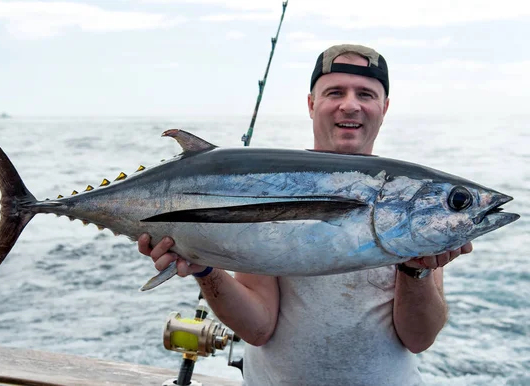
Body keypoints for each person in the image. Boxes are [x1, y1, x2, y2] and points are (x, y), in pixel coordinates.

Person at [137, 44, 473, 385]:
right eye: (335, 92)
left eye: (366, 94)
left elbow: (418, 338)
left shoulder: (409, 197)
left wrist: (417, 272)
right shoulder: (270, 185)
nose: (351, 104)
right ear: (312, 104)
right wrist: (206, 268)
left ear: (384, 108)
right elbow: (259, 327)